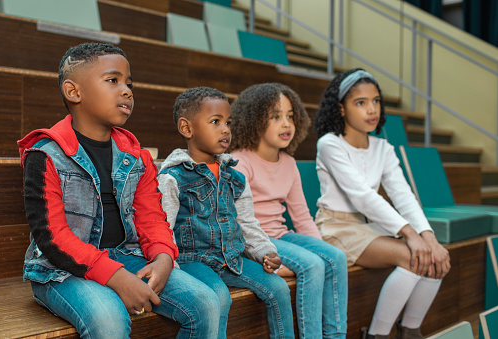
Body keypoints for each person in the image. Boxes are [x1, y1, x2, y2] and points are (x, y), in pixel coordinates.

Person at [17, 42, 220, 339]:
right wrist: (114, 276)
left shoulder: (137, 156)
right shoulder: (46, 155)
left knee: (206, 303)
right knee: (109, 319)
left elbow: (152, 218)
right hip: (60, 271)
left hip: (127, 256)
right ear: (74, 92)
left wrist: (163, 257)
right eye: (113, 80)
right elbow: (53, 238)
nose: (126, 90)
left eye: (129, 83)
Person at [314, 68, 451, 339]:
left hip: (369, 226)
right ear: (341, 109)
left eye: (376, 101)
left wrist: (429, 237)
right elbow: (363, 197)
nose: (371, 109)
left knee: (434, 257)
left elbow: (403, 195)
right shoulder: (329, 144)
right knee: (413, 257)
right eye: (360, 102)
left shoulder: (383, 148)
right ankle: (376, 335)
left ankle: (411, 331)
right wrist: (410, 235)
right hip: (336, 228)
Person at [158, 87, 295, 339]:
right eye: (215, 122)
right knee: (219, 296)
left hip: (232, 259)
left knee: (278, 287)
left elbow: (247, 223)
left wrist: (265, 251)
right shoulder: (173, 177)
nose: (225, 129)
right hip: (193, 262)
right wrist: (173, 273)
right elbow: (163, 229)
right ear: (187, 128)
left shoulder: (235, 176)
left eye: (228, 122)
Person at [229, 82, 348, 339]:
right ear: (253, 121)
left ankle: (336, 336)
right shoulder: (241, 162)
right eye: (275, 116)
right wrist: (260, 257)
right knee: (313, 265)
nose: (286, 124)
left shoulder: (290, 163)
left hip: (282, 235)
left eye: (290, 116)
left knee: (335, 257)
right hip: (257, 240)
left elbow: (302, 218)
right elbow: (236, 223)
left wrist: (323, 251)